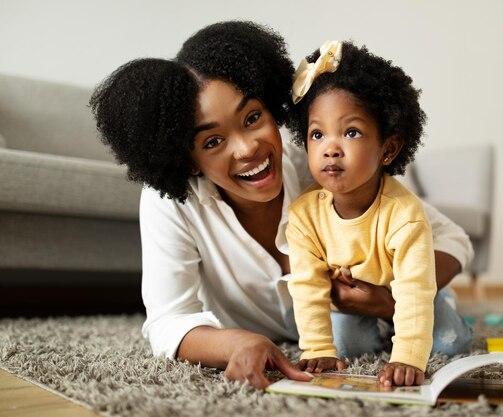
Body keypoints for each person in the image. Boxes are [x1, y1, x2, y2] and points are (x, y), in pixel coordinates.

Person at [89, 20, 473, 390]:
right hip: (328, 343)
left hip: (384, 318)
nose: (247, 148)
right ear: (189, 160)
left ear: (273, 108)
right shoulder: (171, 201)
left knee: (445, 334)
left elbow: (451, 238)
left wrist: (391, 299)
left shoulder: (321, 162)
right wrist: (235, 343)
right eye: (212, 142)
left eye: (253, 117)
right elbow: (169, 320)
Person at [286, 40, 436, 386]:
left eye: (351, 132)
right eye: (317, 134)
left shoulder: (405, 214)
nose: (330, 149)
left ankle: (444, 311)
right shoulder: (303, 215)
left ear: (388, 149)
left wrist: (408, 357)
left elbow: (413, 290)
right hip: (355, 303)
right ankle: (386, 328)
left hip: (408, 292)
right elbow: (307, 286)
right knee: (350, 344)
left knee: (448, 339)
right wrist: (316, 347)